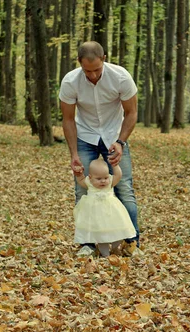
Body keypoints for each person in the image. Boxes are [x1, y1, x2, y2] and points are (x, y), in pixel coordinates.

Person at [59, 41, 140, 257]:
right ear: (79, 63)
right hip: (85, 136)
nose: (93, 75)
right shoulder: (70, 82)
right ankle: (86, 243)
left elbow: (131, 113)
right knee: (82, 191)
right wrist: (74, 154)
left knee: (124, 189)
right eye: (88, 71)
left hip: (114, 136)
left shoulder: (120, 77)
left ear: (104, 58)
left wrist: (121, 142)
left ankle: (132, 243)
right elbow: (68, 119)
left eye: (97, 69)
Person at [74, 157, 136, 257]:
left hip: (111, 213)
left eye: (105, 177)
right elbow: (80, 180)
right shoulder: (89, 183)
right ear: (90, 177)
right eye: (99, 179)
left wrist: (115, 166)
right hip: (96, 216)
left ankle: (116, 248)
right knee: (101, 236)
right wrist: (79, 174)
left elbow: (118, 175)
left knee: (118, 232)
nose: (103, 181)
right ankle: (105, 255)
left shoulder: (110, 182)